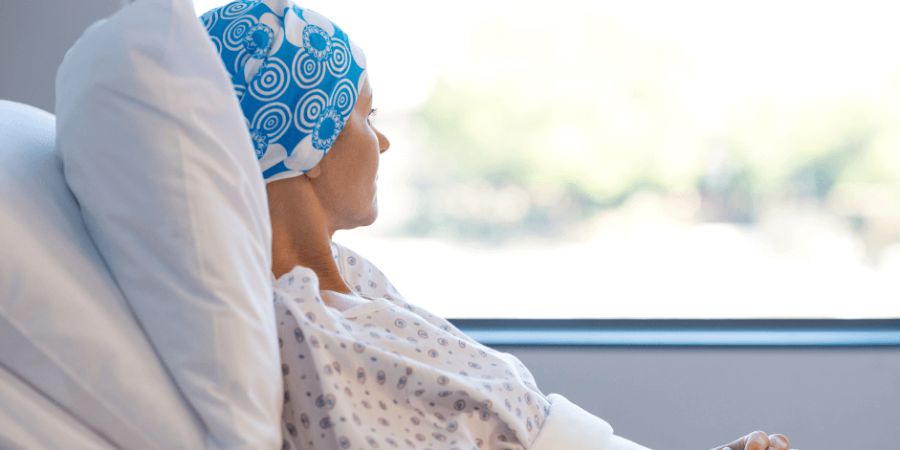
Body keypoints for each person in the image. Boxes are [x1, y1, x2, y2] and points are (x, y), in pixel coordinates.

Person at [201, 2, 793, 449]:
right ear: (311, 139)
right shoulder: (302, 330)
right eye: (366, 113)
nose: (384, 139)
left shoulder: (353, 282)